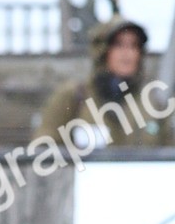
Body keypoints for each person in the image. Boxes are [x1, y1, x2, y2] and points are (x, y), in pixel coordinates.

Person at [36, 16, 172, 148]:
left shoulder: (153, 103)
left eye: (134, 46)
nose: (127, 53)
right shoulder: (74, 96)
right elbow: (44, 150)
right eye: (119, 45)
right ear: (102, 51)